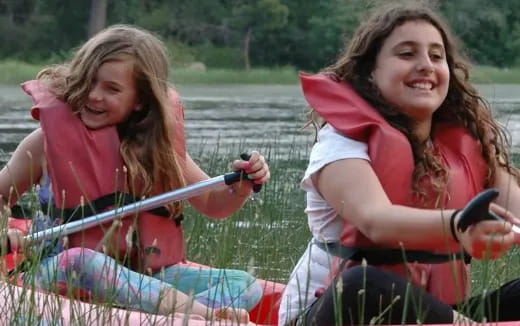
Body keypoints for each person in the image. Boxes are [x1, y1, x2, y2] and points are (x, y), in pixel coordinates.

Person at [0, 24, 270, 323]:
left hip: (139, 276)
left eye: (111, 89)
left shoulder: (160, 151)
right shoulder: (43, 144)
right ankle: (205, 316)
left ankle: (146, 311)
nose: (93, 95)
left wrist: (242, 188)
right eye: (88, 81)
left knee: (243, 285)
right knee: (84, 262)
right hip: (60, 273)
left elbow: (213, 203)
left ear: (140, 99)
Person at [279, 1, 520, 325]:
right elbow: (375, 221)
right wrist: (457, 225)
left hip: (434, 314)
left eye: (437, 56)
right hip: (338, 311)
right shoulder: (340, 141)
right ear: (371, 73)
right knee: (359, 284)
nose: (425, 65)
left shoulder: (470, 145)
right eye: (407, 54)